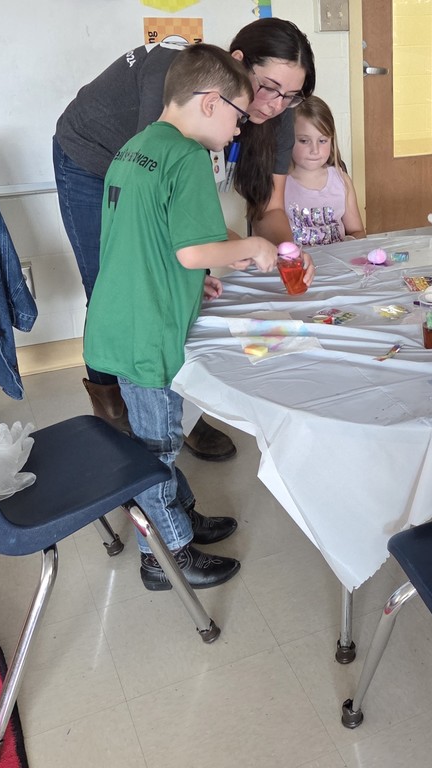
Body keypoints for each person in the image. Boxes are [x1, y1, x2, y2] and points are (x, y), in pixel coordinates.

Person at [54, 17, 316, 463]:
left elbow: (270, 210)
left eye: (292, 96)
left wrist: (287, 253)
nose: (275, 106)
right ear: (236, 65)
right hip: (90, 156)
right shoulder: (174, 92)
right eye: (269, 87)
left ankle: (173, 410)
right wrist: (234, 251)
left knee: (173, 282)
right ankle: (121, 410)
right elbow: (161, 211)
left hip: (152, 187)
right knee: (113, 283)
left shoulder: (275, 114)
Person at [83, 44, 277, 589]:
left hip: (117, 319)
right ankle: (166, 555)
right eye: (240, 114)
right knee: (158, 446)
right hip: (148, 335)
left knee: (155, 438)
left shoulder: (136, 147)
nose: (241, 128)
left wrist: (193, 279)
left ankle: (179, 514)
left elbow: (154, 245)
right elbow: (195, 249)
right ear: (211, 102)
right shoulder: (189, 156)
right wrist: (254, 248)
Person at [284, 95, 365, 245]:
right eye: (304, 141)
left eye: (322, 141)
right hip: (297, 267)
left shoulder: (341, 180)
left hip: (338, 266)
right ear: (288, 138)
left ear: (331, 140)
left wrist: (351, 241)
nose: (315, 150)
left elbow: (357, 231)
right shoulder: (278, 184)